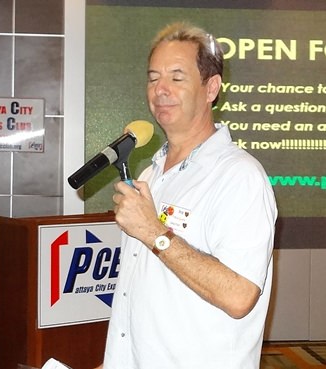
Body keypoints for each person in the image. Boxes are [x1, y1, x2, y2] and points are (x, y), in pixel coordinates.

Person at [95, 22, 277, 369]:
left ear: (212, 88)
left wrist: (154, 232)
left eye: (177, 78)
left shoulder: (240, 177)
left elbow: (239, 297)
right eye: (153, 77)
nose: (160, 89)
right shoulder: (152, 173)